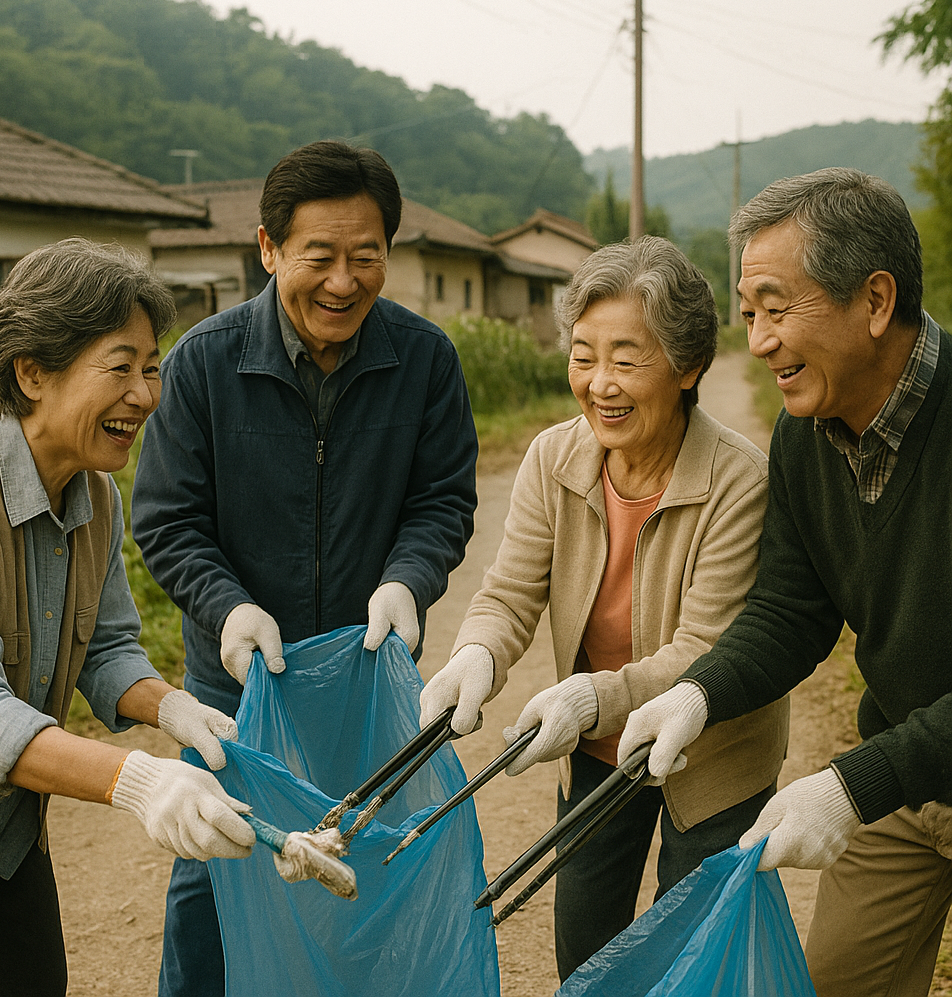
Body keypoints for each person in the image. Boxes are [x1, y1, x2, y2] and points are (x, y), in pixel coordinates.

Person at [131, 140, 478, 996]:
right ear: (268, 248)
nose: (344, 281)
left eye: (367, 258)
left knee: (372, 886)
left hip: (367, 684)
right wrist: (227, 609)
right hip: (239, 682)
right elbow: (168, 519)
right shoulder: (204, 364)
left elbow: (442, 502)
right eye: (319, 256)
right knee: (217, 878)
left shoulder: (424, 361)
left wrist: (407, 581)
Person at [618, 167, 952, 997]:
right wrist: (695, 694)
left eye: (776, 309)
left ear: (875, 301)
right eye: (749, 316)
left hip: (898, 766)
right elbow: (790, 611)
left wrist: (849, 785)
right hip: (911, 780)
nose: (758, 341)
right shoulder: (807, 436)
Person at [419, 235, 789, 980]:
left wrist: (593, 694)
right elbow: (509, 590)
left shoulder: (740, 481)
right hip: (594, 747)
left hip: (710, 750)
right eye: (584, 356)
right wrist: (475, 656)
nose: (599, 383)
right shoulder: (555, 458)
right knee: (584, 950)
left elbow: (705, 649)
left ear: (688, 367)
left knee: (690, 960)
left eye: (627, 358)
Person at [0, 238, 257, 997]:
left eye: (151, 367)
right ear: (32, 372)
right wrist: (135, 781)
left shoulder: (94, 496)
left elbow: (106, 649)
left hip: (6, 837)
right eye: (121, 366)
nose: (145, 394)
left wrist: (178, 710)